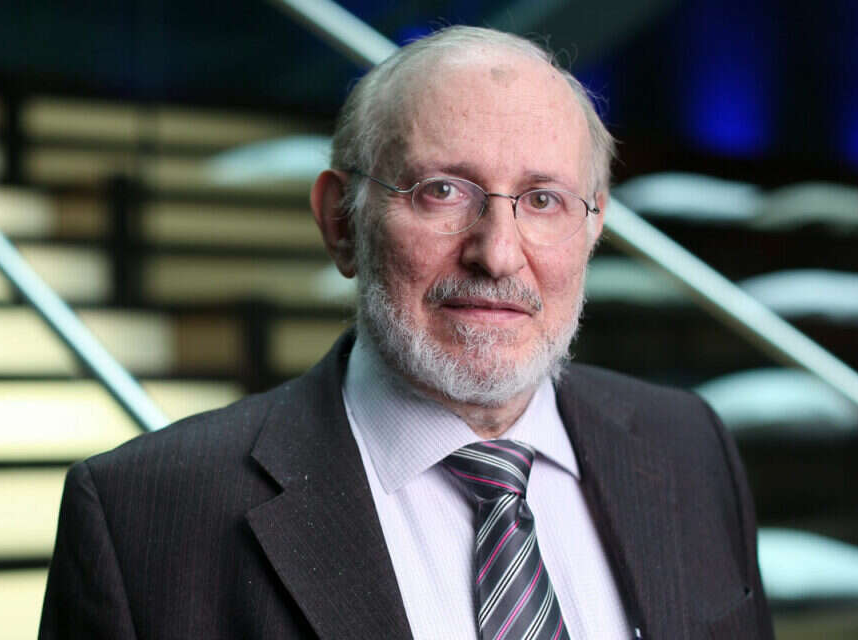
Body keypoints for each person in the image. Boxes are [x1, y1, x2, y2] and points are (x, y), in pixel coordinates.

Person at [40, 26, 773, 640]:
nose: (497, 253)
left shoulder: (691, 448)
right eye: (442, 191)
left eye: (543, 200)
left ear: (593, 226)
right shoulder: (142, 520)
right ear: (340, 222)